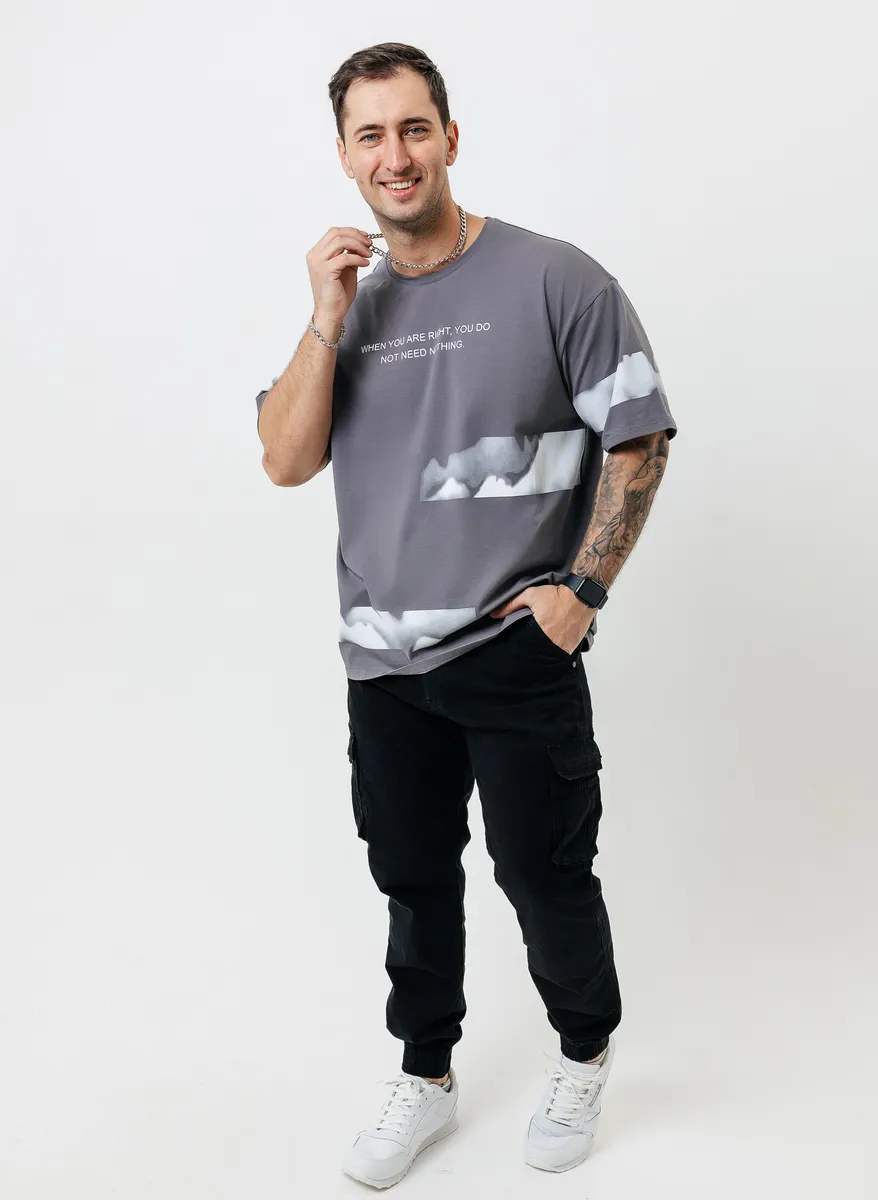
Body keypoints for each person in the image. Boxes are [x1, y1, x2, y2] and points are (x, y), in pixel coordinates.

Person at [254, 42, 678, 1190]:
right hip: (383, 664)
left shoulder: (555, 279)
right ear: (345, 156)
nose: (395, 155)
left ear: (450, 136)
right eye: (370, 135)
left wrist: (580, 592)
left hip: (512, 648)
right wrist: (325, 316)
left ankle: (583, 1054)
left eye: (413, 128)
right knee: (412, 880)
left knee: (544, 874)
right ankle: (426, 1075)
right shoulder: (350, 308)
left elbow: (639, 432)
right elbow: (283, 460)